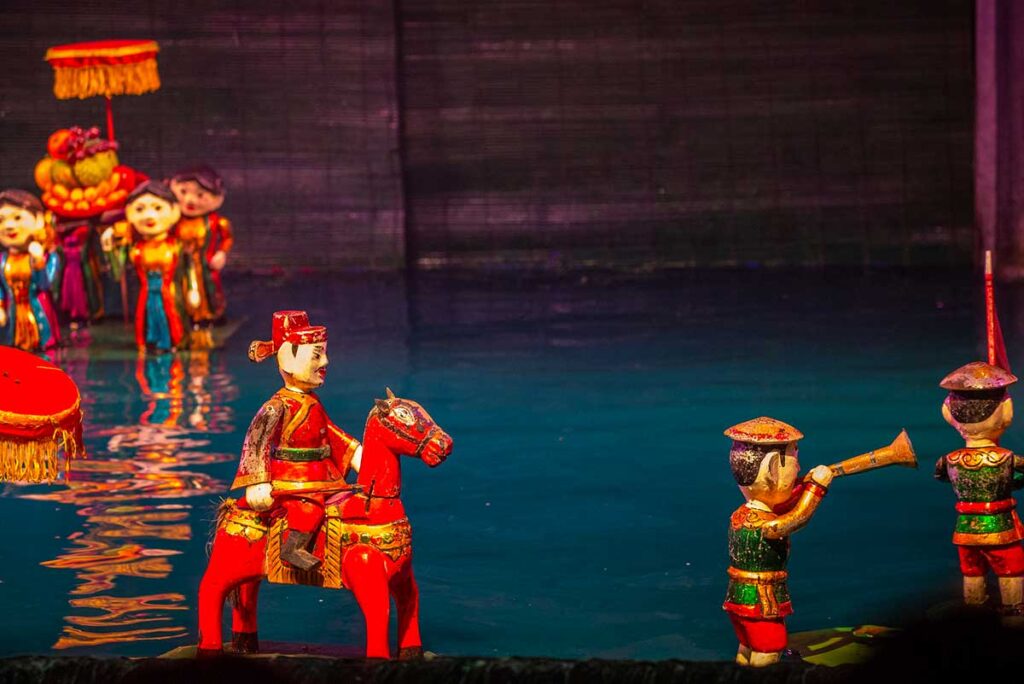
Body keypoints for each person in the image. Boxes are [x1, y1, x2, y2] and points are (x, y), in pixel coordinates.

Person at [233, 310, 361, 570]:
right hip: (292, 477)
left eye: (324, 353)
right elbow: (256, 442)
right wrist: (257, 482)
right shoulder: (276, 407)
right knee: (309, 510)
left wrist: (357, 452)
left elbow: (331, 432)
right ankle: (293, 548)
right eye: (316, 355)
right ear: (288, 360)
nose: (325, 362)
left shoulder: (312, 401)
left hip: (323, 474)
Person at [722, 416, 833, 667]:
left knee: (747, 646)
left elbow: (783, 505)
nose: (798, 468)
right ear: (773, 468)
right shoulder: (765, 524)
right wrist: (816, 489)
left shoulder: (740, 515)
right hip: (761, 601)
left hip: (738, 598)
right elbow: (796, 519)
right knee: (769, 650)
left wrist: (805, 485)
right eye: (795, 459)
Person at [935, 361, 1024, 616]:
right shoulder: (1009, 459)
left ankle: (974, 620)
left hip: (965, 529)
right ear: (1006, 412)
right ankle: (1014, 617)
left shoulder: (947, 460)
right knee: (1012, 573)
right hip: (1001, 528)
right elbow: (1017, 480)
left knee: (972, 575)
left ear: (948, 413)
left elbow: (942, 478)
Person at [169, 165, 233, 348]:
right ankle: (188, 315)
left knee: (209, 290)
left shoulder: (216, 222)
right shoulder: (174, 219)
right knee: (184, 290)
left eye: (200, 195)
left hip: (205, 264)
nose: (190, 200)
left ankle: (210, 315)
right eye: (183, 191)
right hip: (182, 265)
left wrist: (221, 253)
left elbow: (227, 239)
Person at [125, 181, 190, 352]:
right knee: (150, 317)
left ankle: (170, 341)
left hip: (169, 291)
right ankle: (150, 341)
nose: (149, 215)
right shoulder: (136, 249)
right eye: (139, 209)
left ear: (174, 210)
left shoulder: (175, 246)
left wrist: (192, 289)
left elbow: (186, 271)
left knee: (166, 315)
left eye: (157, 208)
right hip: (147, 293)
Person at [0, 189, 61, 351]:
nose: (9, 226)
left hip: (39, 317)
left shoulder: (50, 257)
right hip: (13, 322)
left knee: (45, 360)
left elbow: (46, 286)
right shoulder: (2, 260)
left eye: (17, 218)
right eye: (1, 220)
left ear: (38, 220)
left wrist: (38, 261)